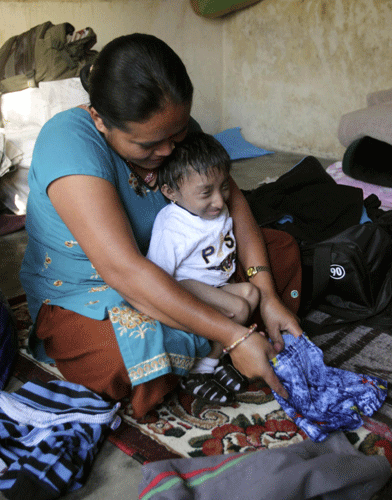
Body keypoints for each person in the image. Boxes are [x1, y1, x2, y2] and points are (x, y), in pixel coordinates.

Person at [20, 33, 303, 419]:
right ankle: (225, 338)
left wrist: (266, 293)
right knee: (126, 354)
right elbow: (125, 271)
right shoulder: (69, 141)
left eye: (178, 133)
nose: (169, 151)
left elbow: (236, 209)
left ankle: (219, 332)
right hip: (97, 289)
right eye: (150, 145)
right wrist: (234, 334)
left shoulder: (175, 132)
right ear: (100, 120)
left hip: (182, 268)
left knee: (281, 250)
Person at [147, 132, 261, 403]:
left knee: (252, 294)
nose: (220, 202)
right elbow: (157, 277)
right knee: (240, 308)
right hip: (183, 287)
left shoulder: (214, 209)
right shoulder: (172, 226)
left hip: (216, 284)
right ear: (171, 192)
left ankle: (220, 354)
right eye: (206, 193)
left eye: (223, 187)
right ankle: (200, 369)